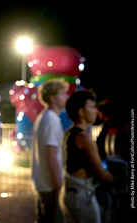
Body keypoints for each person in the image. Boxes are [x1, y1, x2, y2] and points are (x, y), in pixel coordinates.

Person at [59, 91, 114, 223]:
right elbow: (102, 174)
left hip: (69, 193)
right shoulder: (85, 138)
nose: (95, 111)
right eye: (92, 107)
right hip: (83, 196)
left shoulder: (68, 133)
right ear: (81, 112)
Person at [31, 79, 69, 223]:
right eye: (63, 93)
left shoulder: (44, 117)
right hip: (50, 185)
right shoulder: (51, 120)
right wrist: (59, 185)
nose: (66, 96)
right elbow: (51, 157)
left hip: (43, 183)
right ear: (53, 98)